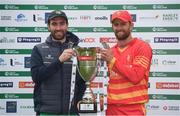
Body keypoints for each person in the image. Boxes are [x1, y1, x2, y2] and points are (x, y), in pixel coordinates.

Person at [30, 10, 86, 115]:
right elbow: (36, 76)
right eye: (54, 24)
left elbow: (82, 82)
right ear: (48, 26)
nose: (58, 28)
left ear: (67, 25)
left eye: (62, 23)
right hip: (46, 112)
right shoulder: (38, 49)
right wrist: (59, 61)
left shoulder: (78, 50)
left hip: (71, 113)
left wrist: (77, 104)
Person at [100, 10, 152, 115]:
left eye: (123, 24)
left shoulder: (142, 47)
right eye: (116, 24)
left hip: (133, 109)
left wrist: (112, 61)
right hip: (111, 109)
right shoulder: (111, 51)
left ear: (131, 25)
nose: (119, 28)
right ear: (112, 27)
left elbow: (136, 76)